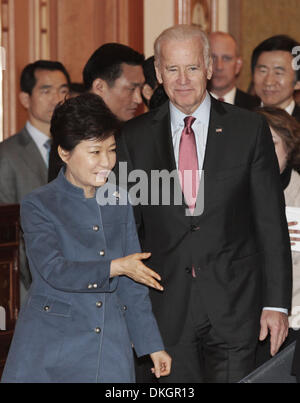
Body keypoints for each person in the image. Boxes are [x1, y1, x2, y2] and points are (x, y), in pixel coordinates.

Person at [117, 24, 292, 383]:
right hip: (164, 308)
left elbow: (269, 223)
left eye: (192, 68)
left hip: (236, 304)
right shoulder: (134, 138)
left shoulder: (248, 129)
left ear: (209, 68)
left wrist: (275, 304)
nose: (183, 80)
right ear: (159, 74)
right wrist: (131, 312)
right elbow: (128, 231)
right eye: (172, 69)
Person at [1, 93, 171, 383]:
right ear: (65, 153)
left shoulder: (120, 200)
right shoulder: (39, 204)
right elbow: (54, 270)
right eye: (95, 152)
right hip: (53, 347)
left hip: (110, 347)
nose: (107, 161)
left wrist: (152, 345)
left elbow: (133, 285)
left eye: (112, 149)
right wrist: (114, 267)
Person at [0, 60, 70, 301]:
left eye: (63, 91)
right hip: (27, 287)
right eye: (46, 90)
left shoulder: (77, 150)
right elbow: (9, 232)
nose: (57, 99)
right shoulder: (7, 154)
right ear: (25, 99)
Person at [48, 43, 145, 182]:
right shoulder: (70, 128)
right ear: (100, 86)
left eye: (140, 89)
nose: (138, 99)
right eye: (131, 89)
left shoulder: (133, 130)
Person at [254, 107, 300, 367]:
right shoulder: (234, 193)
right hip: (247, 318)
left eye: (271, 143)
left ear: (289, 147)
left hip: (294, 318)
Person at [251, 35, 300, 121]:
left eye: (278, 73)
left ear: (297, 82)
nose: (269, 82)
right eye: (263, 71)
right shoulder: (241, 119)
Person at [208, 31, 259, 109]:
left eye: (226, 58)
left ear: (238, 65)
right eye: (213, 58)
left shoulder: (256, 108)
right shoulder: (188, 104)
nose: (219, 67)